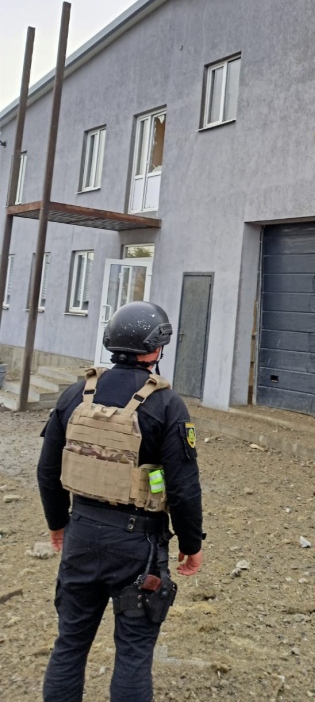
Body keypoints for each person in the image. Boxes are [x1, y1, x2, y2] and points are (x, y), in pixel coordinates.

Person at [37, 300, 204, 702]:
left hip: (81, 535)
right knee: (133, 654)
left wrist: (58, 525)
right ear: (157, 348)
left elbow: (47, 470)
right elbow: (183, 487)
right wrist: (191, 544)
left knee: (70, 643)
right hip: (137, 545)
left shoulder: (76, 395)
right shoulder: (167, 404)